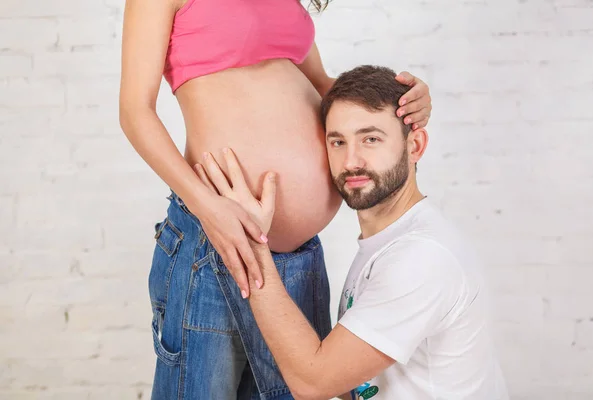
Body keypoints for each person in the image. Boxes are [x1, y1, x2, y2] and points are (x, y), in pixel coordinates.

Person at [118, 0, 433, 398]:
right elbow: (134, 111)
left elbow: (324, 86)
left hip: (297, 256)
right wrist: (208, 207)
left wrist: (402, 102)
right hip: (218, 240)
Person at [196, 65, 508, 400]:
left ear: (415, 145)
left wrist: (252, 243)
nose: (351, 161)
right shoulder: (385, 245)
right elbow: (352, 384)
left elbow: (314, 383)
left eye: (371, 139)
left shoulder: (422, 257)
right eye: (338, 142)